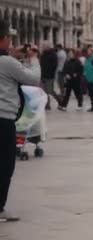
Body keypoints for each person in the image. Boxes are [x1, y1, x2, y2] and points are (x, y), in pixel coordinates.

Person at [0, 19, 41, 221]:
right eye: (8, 37)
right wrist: (33, 58)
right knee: (5, 164)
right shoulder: (7, 62)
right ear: (4, 39)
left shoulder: (7, 61)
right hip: (3, 119)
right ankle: (0, 207)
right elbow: (33, 78)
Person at [40, 41, 59, 110]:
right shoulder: (43, 54)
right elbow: (41, 64)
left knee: (50, 91)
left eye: (43, 46)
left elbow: (54, 65)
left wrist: (50, 72)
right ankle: (47, 105)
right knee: (45, 91)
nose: (42, 47)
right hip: (43, 75)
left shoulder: (53, 54)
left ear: (47, 47)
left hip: (50, 76)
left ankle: (60, 101)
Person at [83, 47, 93, 112]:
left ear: (92, 51)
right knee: (91, 94)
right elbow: (85, 67)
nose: (88, 52)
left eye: (89, 51)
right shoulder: (87, 59)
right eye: (88, 51)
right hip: (88, 78)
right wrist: (84, 73)